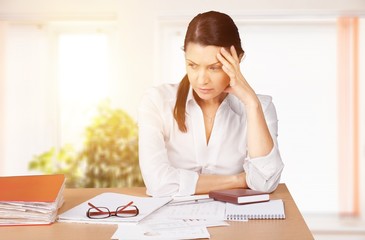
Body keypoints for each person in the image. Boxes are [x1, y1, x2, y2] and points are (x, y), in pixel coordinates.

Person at [138, 11, 284, 197]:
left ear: (237, 60)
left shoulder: (259, 107)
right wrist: (240, 180)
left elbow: (265, 181)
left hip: (236, 222)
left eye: (214, 67)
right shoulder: (156, 101)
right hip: (172, 222)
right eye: (192, 65)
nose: (201, 80)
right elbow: (158, 184)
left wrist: (251, 103)